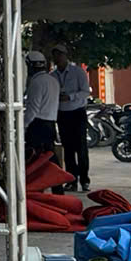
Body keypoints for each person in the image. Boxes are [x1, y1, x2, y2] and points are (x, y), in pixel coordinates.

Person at [52, 45, 93, 185]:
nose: (57, 59)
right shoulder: (53, 75)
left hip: (77, 112)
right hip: (62, 113)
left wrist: (70, 97)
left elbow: (86, 92)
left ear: (65, 55)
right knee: (67, 148)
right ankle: (71, 179)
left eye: (59, 55)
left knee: (81, 147)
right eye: (55, 56)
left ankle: (84, 179)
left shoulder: (78, 72)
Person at [23, 51, 62, 164]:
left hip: (38, 125)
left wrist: (23, 125)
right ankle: (56, 180)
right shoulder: (53, 81)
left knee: (35, 159)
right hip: (50, 124)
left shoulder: (36, 82)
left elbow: (33, 109)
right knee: (49, 156)